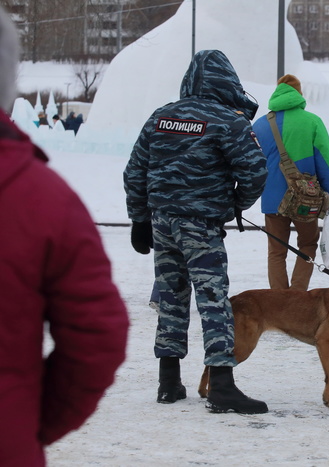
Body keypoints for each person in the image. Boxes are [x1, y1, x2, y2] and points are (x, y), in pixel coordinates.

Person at [0, 6, 129, 465]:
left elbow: (137, 171)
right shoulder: (42, 198)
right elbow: (98, 337)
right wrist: (27, 422)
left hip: (170, 225)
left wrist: (146, 214)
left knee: (173, 298)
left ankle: (173, 373)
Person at [124, 49, 269, 414]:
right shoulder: (229, 120)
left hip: (162, 223)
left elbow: (134, 172)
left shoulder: (160, 117)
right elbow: (255, 172)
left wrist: (140, 219)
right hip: (201, 226)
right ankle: (221, 384)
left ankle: (168, 382)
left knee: (171, 298)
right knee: (212, 298)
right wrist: (234, 205)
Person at [252, 74, 329, 290]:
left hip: (272, 200)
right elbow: (326, 163)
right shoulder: (312, 122)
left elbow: (251, 164)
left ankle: (280, 302)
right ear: (299, 94)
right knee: (308, 244)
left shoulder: (260, 125)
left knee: (276, 250)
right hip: (305, 199)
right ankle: (298, 295)